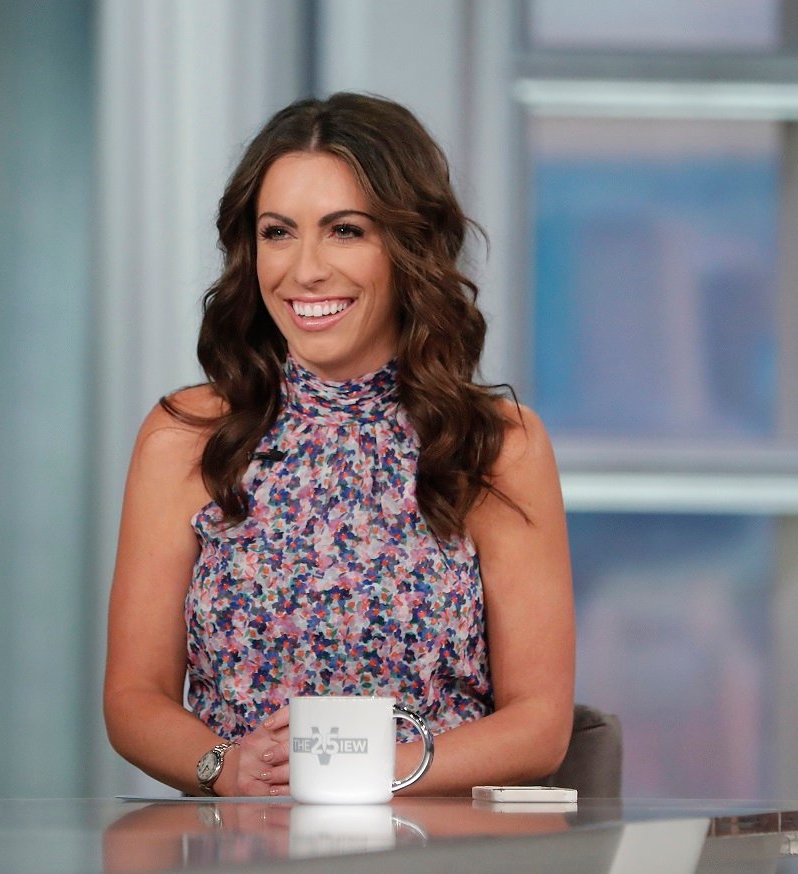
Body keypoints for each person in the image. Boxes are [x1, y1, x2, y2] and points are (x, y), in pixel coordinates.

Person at [103, 92, 574, 797]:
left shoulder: (496, 446)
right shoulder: (184, 437)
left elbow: (540, 724)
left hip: (436, 846)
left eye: (346, 230)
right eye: (278, 232)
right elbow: (134, 700)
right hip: (242, 846)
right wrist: (223, 767)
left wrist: (367, 775)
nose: (306, 270)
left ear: (408, 247)